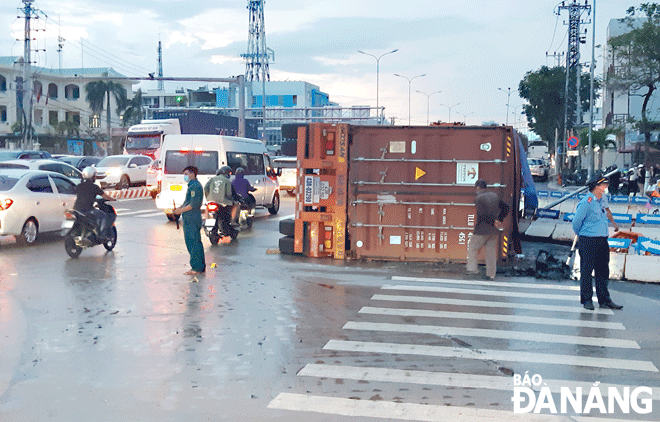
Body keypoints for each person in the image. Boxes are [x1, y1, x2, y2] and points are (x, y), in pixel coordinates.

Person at [572, 173, 623, 310]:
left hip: (602, 240)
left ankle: (604, 299)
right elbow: (576, 222)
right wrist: (583, 234)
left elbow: (607, 212)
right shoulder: (586, 202)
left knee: (603, 270)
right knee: (587, 271)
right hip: (588, 240)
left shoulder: (603, 199)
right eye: (602, 184)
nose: (605, 186)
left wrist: (613, 223)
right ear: (595, 186)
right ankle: (587, 300)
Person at [466, 179, 509, 280]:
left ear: (477, 188)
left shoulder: (479, 198)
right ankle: (491, 274)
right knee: (490, 252)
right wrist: (499, 219)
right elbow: (506, 207)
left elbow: (483, 214)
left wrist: (492, 221)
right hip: (494, 230)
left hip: (482, 229)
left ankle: (472, 269)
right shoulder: (495, 196)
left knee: (472, 248)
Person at [172, 166, 206, 276]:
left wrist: (180, 210)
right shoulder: (191, 185)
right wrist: (179, 209)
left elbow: (193, 204)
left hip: (192, 218)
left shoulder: (195, 187)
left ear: (192, 174)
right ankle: (200, 266)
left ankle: (196, 267)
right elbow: (187, 202)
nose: (185, 176)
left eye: (186, 173)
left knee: (193, 242)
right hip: (189, 218)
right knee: (194, 242)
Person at [73, 166, 116, 239]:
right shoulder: (94, 187)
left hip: (76, 209)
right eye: (95, 176)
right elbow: (105, 196)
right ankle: (102, 235)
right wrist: (113, 199)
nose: (95, 177)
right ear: (92, 176)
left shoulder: (79, 186)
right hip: (88, 210)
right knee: (103, 216)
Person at [204, 166, 237, 235]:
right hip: (223, 202)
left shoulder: (212, 179)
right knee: (235, 206)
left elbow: (206, 188)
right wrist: (231, 200)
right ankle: (233, 222)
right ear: (227, 173)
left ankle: (207, 221)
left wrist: (208, 197)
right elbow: (229, 193)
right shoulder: (227, 181)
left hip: (211, 201)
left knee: (207, 208)